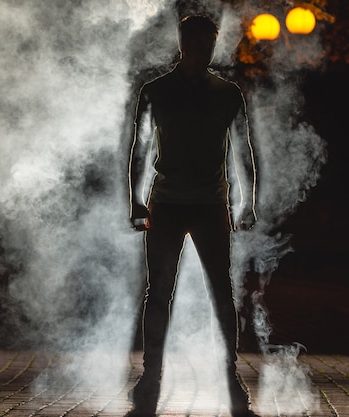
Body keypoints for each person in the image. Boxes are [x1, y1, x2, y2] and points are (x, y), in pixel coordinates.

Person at [127, 14, 258, 417]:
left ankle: (229, 374)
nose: (205, 50)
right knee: (160, 292)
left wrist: (248, 201)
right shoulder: (155, 91)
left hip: (208, 203)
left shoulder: (227, 93)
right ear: (184, 43)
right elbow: (140, 147)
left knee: (220, 290)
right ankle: (152, 376)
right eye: (199, 42)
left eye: (209, 43)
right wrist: (134, 198)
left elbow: (243, 150)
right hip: (168, 202)